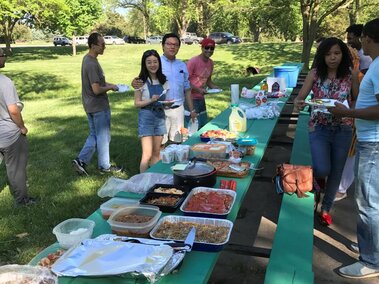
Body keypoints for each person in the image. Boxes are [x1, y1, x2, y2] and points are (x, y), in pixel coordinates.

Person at [331, 18, 379, 279]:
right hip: (369, 140)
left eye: (363, 39)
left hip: (373, 142)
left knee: (367, 202)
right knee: (372, 200)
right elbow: (366, 95)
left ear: (369, 39)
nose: (361, 43)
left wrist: (347, 113)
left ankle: (371, 261)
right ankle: (372, 246)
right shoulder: (375, 66)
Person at [294, 37, 358, 226]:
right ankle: (317, 182)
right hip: (318, 127)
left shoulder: (350, 75)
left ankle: (326, 208)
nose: (332, 58)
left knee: (336, 172)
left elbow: (355, 100)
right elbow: (300, 98)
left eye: (337, 53)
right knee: (323, 168)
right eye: (328, 54)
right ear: (322, 56)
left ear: (343, 55)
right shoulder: (314, 74)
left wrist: (354, 82)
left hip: (343, 128)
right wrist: (298, 103)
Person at [132, 33, 197, 145]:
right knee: (160, 145)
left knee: (177, 142)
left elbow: (187, 89)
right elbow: (143, 78)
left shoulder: (182, 65)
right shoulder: (156, 63)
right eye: (169, 44)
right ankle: (158, 162)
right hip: (160, 111)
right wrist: (134, 82)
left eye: (175, 45)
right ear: (162, 46)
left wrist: (192, 110)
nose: (172, 47)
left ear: (179, 47)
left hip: (178, 109)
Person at [72, 32, 122, 175]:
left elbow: (97, 82)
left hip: (89, 105)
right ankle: (104, 167)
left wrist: (112, 84)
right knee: (103, 136)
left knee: (95, 134)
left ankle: (81, 161)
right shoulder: (92, 63)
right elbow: (96, 89)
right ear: (93, 46)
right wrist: (111, 88)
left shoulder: (87, 59)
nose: (104, 47)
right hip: (98, 106)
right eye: (102, 44)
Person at [335, 24, 373, 201]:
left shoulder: (369, 64)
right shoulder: (365, 64)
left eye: (352, 38)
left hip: (369, 132)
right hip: (357, 118)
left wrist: (351, 113)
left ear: (366, 39)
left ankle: (341, 188)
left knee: (368, 203)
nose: (349, 42)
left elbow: (359, 92)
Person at [0, 48, 36, 206]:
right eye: (2, 55)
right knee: (16, 169)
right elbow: (13, 110)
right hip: (9, 134)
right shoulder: (5, 82)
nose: (4, 57)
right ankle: (22, 200)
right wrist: (22, 127)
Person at [134, 50, 169, 172]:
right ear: (144, 64)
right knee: (147, 155)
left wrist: (168, 104)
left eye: (155, 61)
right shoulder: (140, 82)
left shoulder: (163, 80)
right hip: (146, 116)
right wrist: (150, 100)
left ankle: (154, 179)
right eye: (149, 62)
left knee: (157, 153)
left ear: (159, 63)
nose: (153, 65)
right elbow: (137, 103)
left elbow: (165, 100)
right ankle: (142, 183)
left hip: (160, 117)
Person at [185, 38, 220, 128]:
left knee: (203, 125)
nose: (209, 50)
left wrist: (215, 88)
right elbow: (185, 81)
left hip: (201, 98)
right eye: (207, 47)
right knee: (192, 126)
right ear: (202, 48)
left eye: (212, 48)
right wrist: (198, 90)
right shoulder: (193, 62)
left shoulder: (211, 63)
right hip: (190, 99)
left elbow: (208, 81)